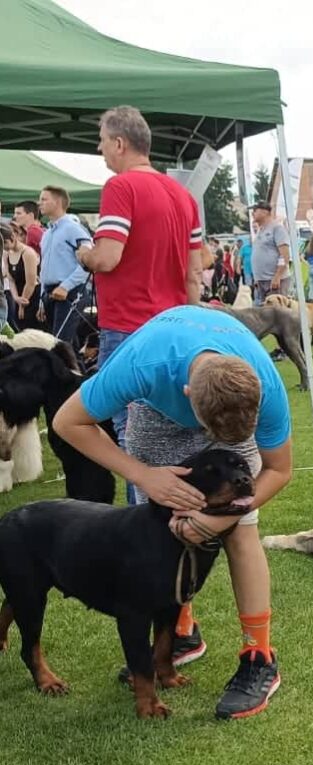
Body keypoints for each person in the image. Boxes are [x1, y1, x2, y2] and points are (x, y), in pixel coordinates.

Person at [54, 305, 294, 720]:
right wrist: (143, 476)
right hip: (157, 415)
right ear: (188, 396)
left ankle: (259, 657)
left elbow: (278, 470)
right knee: (159, 529)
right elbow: (66, 422)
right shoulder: (141, 363)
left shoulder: (262, 383)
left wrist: (225, 516)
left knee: (241, 532)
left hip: (222, 398)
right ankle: (180, 632)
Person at [75, 104, 205, 614]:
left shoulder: (121, 188)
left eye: (103, 142)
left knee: (132, 443)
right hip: (176, 330)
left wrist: (84, 253)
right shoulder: (182, 194)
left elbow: (107, 256)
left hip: (128, 328)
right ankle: (180, 590)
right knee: (174, 436)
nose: (101, 151)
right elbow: (196, 275)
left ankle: (151, 566)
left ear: (121, 142)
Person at [36, 185, 93, 344]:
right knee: (67, 346)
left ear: (57, 202)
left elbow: (88, 262)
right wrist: (41, 298)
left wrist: (66, 286)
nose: (39, 203)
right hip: (50, 293)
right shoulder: (47, 233)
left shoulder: (74, 229)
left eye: (44, 199)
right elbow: (44, 268)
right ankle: (79, 369)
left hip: (70, 293)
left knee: (58, 344)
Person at [249, 202, 292, 305]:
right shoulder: (260, 230)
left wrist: (277, 276)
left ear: (265, 212)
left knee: (277, 313)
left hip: (274, 280)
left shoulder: (277, 228)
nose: (252, 213)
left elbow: (284, 254)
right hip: (262, 280)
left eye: (255, 210)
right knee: (265, 313)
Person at [1, 223, 41, 331]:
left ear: (12, 237)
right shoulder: (6, 253)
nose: (4, 247)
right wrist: (16, 298)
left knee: (31, 328)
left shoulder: (28, 253)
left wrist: (22, 303)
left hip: (31, 295)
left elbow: (31, 282)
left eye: (5, 243)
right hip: (18, 295)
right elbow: (11, 279)